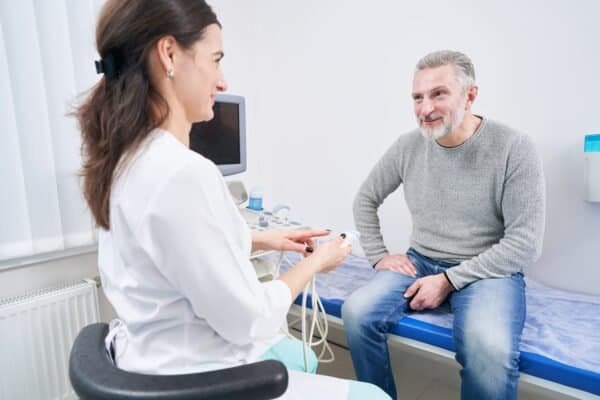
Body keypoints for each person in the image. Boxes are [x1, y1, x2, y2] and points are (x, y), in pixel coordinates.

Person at [75, 0, 390, 398]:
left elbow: (170, 249)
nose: (222, 82)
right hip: (197, 380)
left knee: (296, 356)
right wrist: (315, 263)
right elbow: (252, 321)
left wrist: (263, 239)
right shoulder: (184, 173)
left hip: (146, 360)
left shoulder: (124, 163)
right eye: (216, 59)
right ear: (169, 53)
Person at [342, 50, 545, 399]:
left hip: (488, 272)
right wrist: (377, 256)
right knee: (356, 312)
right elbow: (365, 199)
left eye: (439, 94)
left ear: (470, 95)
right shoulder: (408, 146)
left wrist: (449, 280)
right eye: (418, 97)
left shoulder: (514, 147)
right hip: (420, 261)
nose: (425, 108)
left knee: (489, 350)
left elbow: (525, 243)